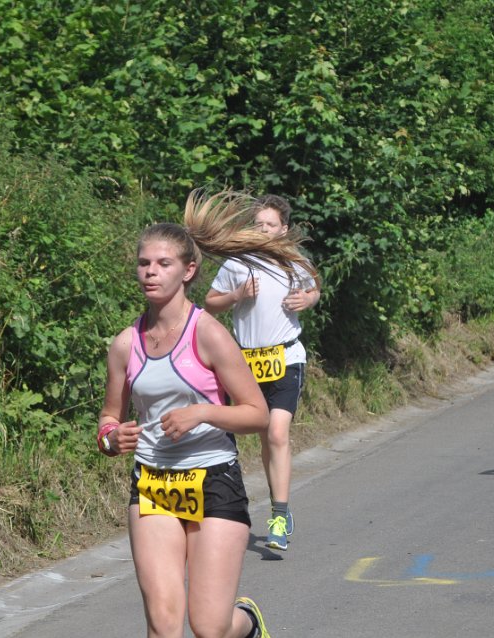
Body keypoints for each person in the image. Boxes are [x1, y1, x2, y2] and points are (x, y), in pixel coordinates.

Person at [98, 190, 307, 637]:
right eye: (144, 263)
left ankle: (247, 623)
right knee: (163, 624)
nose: (151, 272)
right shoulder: (124, 344)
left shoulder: (208, 334)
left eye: (163, 263)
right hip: (152, 483)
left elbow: (257, 415)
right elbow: (108, 418)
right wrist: (112, 439)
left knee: (210, 627)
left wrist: (202, 413)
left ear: (188, 270)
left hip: (213, 480)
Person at [204, 195, 320, 551]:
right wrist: (237, 294)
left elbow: (314, 289)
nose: (263, 229)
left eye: (270, 224)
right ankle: (262, 501)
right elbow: (210, 302)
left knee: (277, 432)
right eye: (258, 224)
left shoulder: (294, 261)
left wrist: (307, 300)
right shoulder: (238, 262)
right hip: (247, 363)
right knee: (260, 437)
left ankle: (279, 517)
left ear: (283, 229)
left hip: (286, 357)